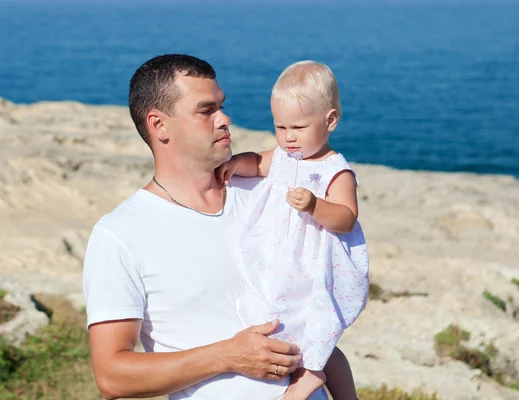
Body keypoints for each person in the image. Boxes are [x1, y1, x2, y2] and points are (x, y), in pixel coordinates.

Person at [82, 54, 357, 400]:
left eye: (221, 106)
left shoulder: (271, 190)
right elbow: (112, 376)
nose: (224, 119)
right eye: (206, 110)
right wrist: (226, 357)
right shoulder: (120, 234)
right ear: (159, 125)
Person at [217, 61, 369, 400]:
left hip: (314, 261)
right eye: (280, 126)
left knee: (319, 330)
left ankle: (312, 380)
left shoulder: (335, 170)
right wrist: (234, 164)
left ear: (329, 121)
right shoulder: (284, 157)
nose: (288, 137)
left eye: (298, 127)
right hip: (282, 259)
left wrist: (315, 205)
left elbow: (346, 217)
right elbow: (257, 161)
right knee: (294, 326)